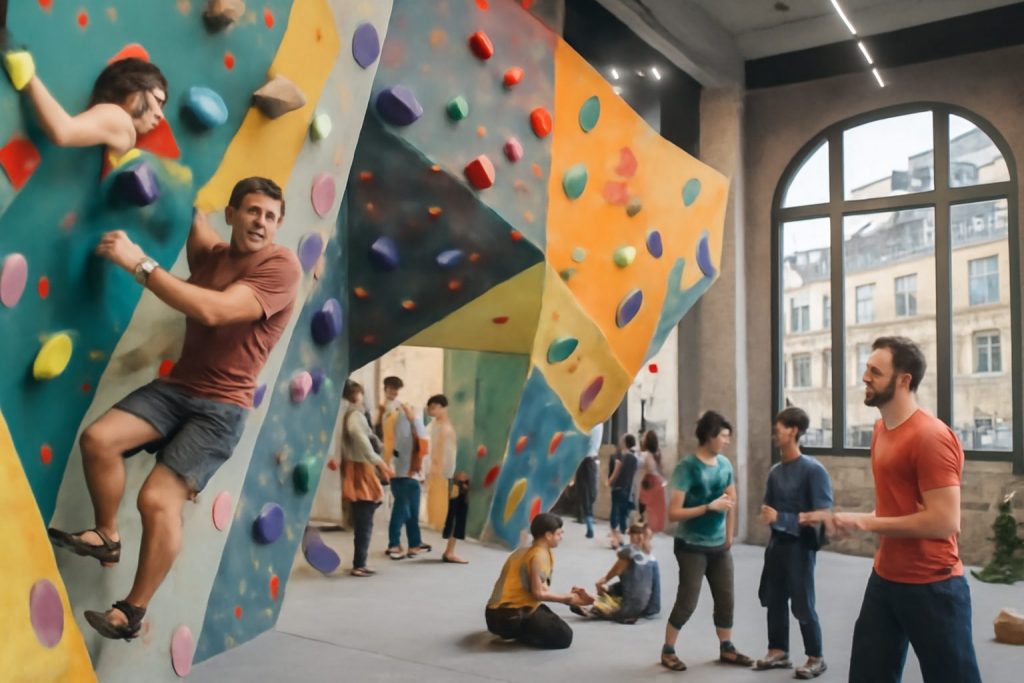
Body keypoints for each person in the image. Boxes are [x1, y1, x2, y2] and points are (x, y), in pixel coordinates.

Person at [47, 177, 301, 640]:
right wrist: (177, 185)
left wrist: (138, 263)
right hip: (177, 388)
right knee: (99, 440)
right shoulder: (213, 255)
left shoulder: (281, 266)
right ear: (232, 214)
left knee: (156, 499)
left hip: (220, 409)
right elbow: (191, 213)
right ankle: (108, 537)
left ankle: (132, 611)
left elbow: (216, 311)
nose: (261, 222)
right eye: (252, 211)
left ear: (279, 224)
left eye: (269, 216)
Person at [802, 337, 981, 683]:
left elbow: (945, 520)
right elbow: (894, 505)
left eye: (875, 371)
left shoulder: (931, 437)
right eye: (867, 369)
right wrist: (856, 522)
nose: (865, 377)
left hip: (934, 585)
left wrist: (866, 523)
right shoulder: (881, 429)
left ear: (904, 380)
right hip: (885, 579)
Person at [660, 411, 753, 671]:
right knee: (688, 600)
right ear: (710, 435)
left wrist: (729, 536)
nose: (726, 441)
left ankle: (727, 648)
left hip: (718, 545)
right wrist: (708, 507)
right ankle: (668, 649)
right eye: (723, 436)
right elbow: (674, 513)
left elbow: (731, 501)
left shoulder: (724, 465)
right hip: (691, 544)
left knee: (726, 599)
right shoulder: (687, 468)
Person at [754, 407, 833, 679]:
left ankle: (816, 656)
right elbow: (769, 505)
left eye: (781, 428)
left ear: (795, 431)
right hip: (776, 546)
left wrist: (782, 518)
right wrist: (769, 515)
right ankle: (778, 651)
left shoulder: (813, 470)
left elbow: (823, 514)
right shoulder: (776, 472)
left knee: (802, 603)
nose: (776, 433)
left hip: (799, 548)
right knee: (774, 598)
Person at [5, 54, 167, 172]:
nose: (161, 115)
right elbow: (63, 132)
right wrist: (29, 78)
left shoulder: (125, 132)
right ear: (133, 88)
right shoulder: (120, 120)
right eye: (157, 101)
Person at [485, 513, 595, 649]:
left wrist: (572, 599)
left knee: (545, 613)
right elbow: (538, 594)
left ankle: (516, 630)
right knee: (564, 636)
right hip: (507, 617)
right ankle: (517, 632)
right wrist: (570, 598)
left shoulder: (525, 551)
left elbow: (542, 589)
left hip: (495, 615)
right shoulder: (539, 556)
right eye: (559, 534)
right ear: (548, 535)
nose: (561, 538)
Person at [339, 380, 394, 577]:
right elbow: (359, 435)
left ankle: (360, 562)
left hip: (360, 468)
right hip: (361, 469)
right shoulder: (354, 414)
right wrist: (378, 461)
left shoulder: (352, 413)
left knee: (365, 516)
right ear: (357, 395)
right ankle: (359, 563)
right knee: (365, 519)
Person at [377, 376, 430, 560]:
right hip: (403, 470)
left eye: (396, 389)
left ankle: (414, 543)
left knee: (411, 508)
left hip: (403, 470)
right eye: (391, 389)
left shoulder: (389, 410)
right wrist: (413, 419)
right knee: (401, 509)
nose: (394, 393)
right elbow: (414, 440)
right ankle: (394, 544)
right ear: (385, 389)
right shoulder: (395, 412)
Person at [572, 522, 661, 624]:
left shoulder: (628, 552)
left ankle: (599, 608)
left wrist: (603, 582)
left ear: (630, 534)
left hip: (633, 606)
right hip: (652, 606)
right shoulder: (651, 557)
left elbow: (613, 573)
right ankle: (601, 604)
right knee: (617, 586)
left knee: (606, 593)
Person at [426, 394, 469, 564]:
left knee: (455, 513)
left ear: (444, 407)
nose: (432, 411)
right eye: (430, 408)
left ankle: (450, 550)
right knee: (454, 513)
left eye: (434, 407)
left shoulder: (443, 427)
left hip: (449, 475)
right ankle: (450, 551)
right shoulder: (438, 426)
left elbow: (447, 454)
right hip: (446, 475)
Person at [607, 433, 639, 549]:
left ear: (625, 443)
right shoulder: (635, 457)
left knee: (614, 513)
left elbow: (616, 471)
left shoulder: (621, 456)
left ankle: (615, 540)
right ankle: (620, 539)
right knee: (622, 514)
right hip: (628, 489)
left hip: (618, 487)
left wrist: (609, 481)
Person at [573, 423, 603, 538]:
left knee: (586, 493)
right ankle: (588, 520)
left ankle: (588, 522)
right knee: (589, 492)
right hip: (591, 460)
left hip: (586, 460)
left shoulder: (590, 423)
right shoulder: (599, 423)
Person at [636, 430, 666, 521]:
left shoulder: (645, 455)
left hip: (648, 481)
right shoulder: (658, 454)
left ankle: (643, 523)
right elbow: (662, 469)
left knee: (642, 505)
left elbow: (638, 464)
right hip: (658, 482)